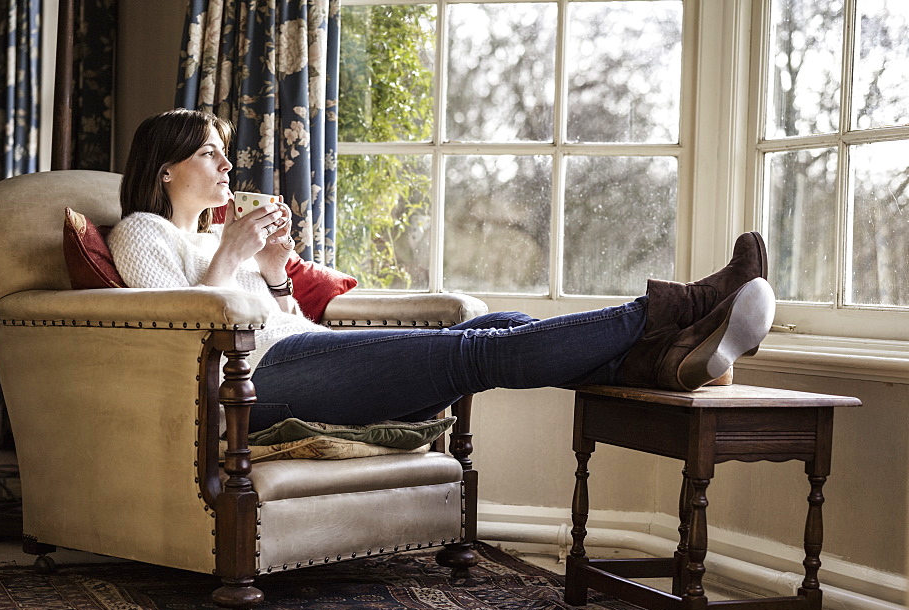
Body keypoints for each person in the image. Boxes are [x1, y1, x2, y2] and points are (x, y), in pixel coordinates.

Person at [109, 109, 776, 432]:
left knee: (503, 324)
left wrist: (278, 275)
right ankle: (679, 310)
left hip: (297, 357)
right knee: (477, 355)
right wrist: (232, 258)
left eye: (225, 155)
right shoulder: (140, 233)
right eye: (208, 154)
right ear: (165, 168)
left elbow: (282, 323)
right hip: (250, 391)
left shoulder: (228, 242)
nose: (227, 167)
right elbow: (183, 334)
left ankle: (658, 361)